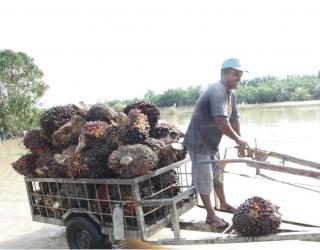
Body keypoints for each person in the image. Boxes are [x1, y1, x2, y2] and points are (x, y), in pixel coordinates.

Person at [183, 58, 248, 228]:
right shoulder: (217, 91)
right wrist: (239, 140)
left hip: (211, 142)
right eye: (236, 74)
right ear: (225, 73)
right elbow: (221, 122)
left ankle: (223, 204)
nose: (239, 78)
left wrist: (239, 142)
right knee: (205, 177)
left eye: (240, 75)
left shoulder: (230, 94)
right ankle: (211, 215)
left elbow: (233, 120)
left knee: (217, 173)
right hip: (198, 141)